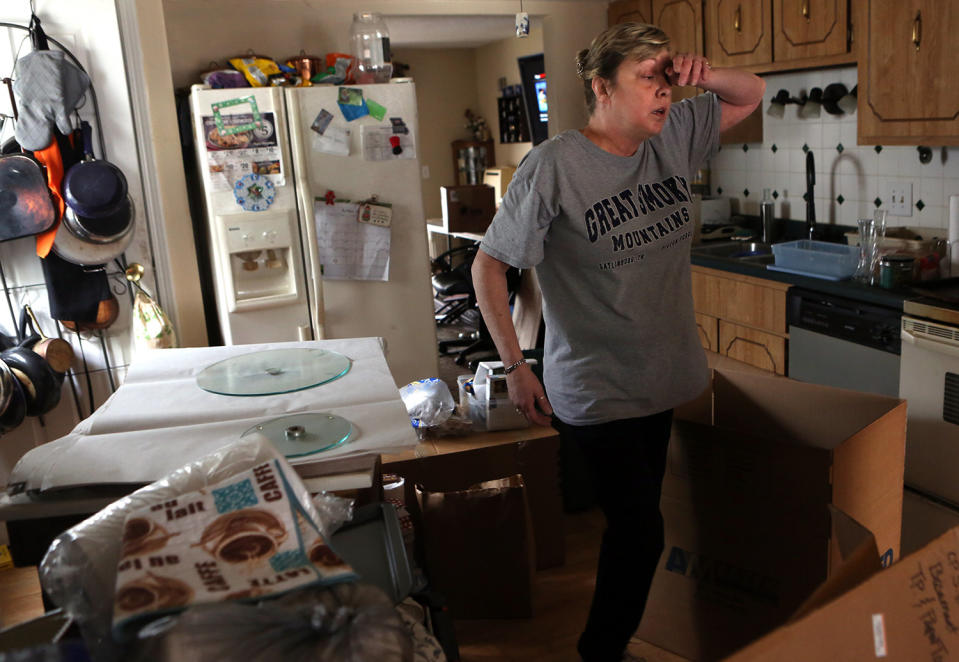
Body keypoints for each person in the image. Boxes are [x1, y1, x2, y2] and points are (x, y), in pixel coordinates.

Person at [471, 22, 765, 662]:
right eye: (647, 78)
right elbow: (489, 265)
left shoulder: (675, 137)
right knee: (639, 531)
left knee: (636, 526)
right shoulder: (555, 167)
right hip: (598, 388)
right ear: (602, 87)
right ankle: (599, 651)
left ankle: (612, 640)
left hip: (660, 379)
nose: (663, 93)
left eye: (666, 78)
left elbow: (750, 94)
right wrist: (516, 365)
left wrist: (703, 75)